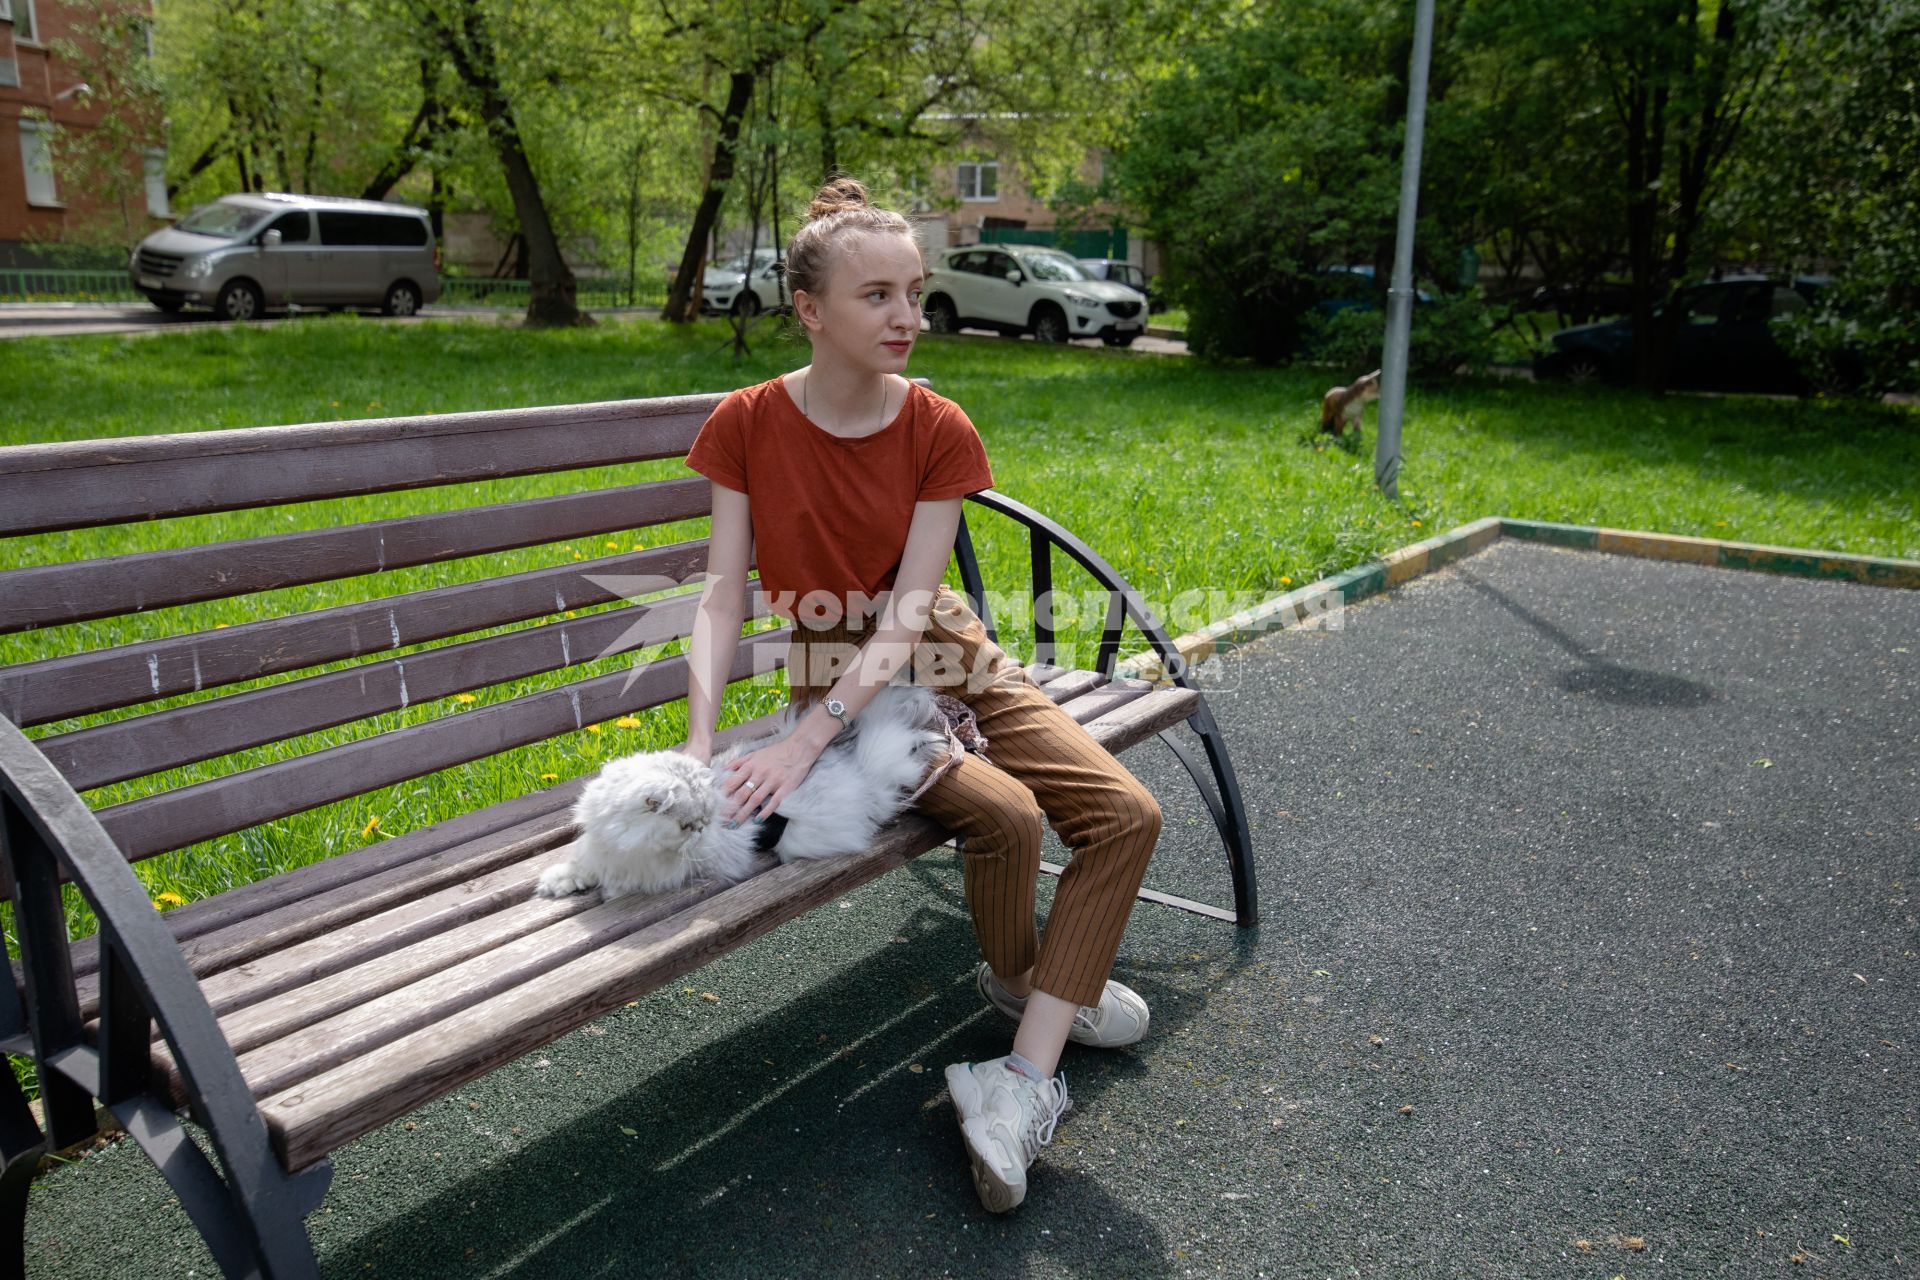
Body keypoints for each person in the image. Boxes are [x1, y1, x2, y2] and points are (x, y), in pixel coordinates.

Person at [677, 176, 1163, 1214]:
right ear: (810, 309)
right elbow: (722, 596)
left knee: (1124, 813)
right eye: (877, 296)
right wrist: (699, 744)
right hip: (828, 660)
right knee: (1006, 813)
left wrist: (806, 745)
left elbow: (913, 612)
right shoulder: (747, 422)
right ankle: (1031, 982)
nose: (908, 315)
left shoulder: (938, 424)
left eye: (914, 290)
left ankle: (1017, 1079)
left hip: (944, 648)